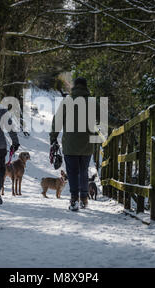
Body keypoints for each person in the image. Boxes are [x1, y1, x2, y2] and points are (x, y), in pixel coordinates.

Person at [49, 77, 97, 211]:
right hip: (87, 145)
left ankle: (74, 199)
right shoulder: (92, 102)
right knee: (83, 171)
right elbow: (105, 118)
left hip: (70, 145)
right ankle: (84, 199)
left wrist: (53, 138)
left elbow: (57, 121)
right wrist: (121, 122)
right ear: (86, 87)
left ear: (74, 87)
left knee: (73, 172)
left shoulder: (67, 101)